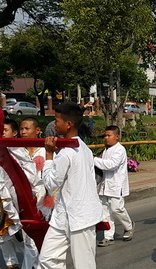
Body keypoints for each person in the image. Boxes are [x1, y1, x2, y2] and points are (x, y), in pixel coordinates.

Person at [39, 103, 103, 269]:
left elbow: (51, 184)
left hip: (81, 217)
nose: (54, 124)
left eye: (56, 120)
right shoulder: (81, 147)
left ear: (68, 124)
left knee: (84, 265)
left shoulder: (68, 152)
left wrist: (48, 155)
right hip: (63, 215)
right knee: (47, 259)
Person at [95, 125, 135, 247]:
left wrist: (93, 159)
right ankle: (108, 236)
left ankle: (129, 226)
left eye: (109, 135)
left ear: (116, 137)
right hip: (104, 185)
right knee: (105, 212)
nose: (106, 138)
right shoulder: (106, 150)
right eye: (105, 136)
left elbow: (111, 165)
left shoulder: (119, 150)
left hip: (116, 185)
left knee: (117, 208)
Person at [19, 117, 50, 269]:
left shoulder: (45, 151)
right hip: (24, 199)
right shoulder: (17, 151)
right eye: (21, 129)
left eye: (27, 129)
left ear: (37, 131)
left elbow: (53, 177)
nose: (23, 132)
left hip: (44, 199)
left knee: (42, 237)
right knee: (29, 238)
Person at [1, 119, 23, 269]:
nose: (2, 133)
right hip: (2, 197)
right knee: (3, 233)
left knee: (22, 235)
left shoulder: (19, 151)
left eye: (5, 130)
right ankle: (11, 263)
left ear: (14, 133)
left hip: (17, 197)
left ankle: (34, 261)